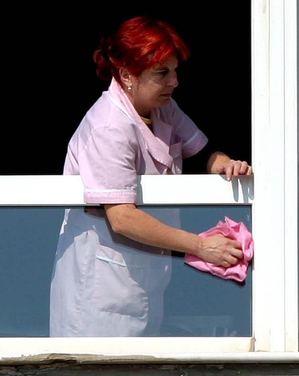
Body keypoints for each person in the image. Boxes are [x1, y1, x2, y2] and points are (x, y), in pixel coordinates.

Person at [49, 17, 252, 337]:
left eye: (174, 71)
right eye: (162, 73)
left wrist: (225, 163)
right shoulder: (108, 126)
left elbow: (200, 150)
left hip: (144, 280)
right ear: (127, 76)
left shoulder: (161, 107)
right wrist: (200, 246)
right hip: (101, 294)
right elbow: (123, 219)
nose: (174, 82)